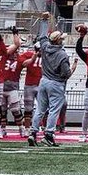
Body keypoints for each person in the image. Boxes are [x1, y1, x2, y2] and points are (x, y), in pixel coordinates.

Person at [29, 12, 73, 147]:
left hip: (44, 81)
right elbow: (66, 73)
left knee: (40, 109)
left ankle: (33, 132)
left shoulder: (45, 47)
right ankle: (48, 134)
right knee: (54, 110)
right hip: (56, 83)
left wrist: (44, 21)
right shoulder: (62, 55)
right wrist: (72, 69)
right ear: (58, 41)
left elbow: (42, 36)